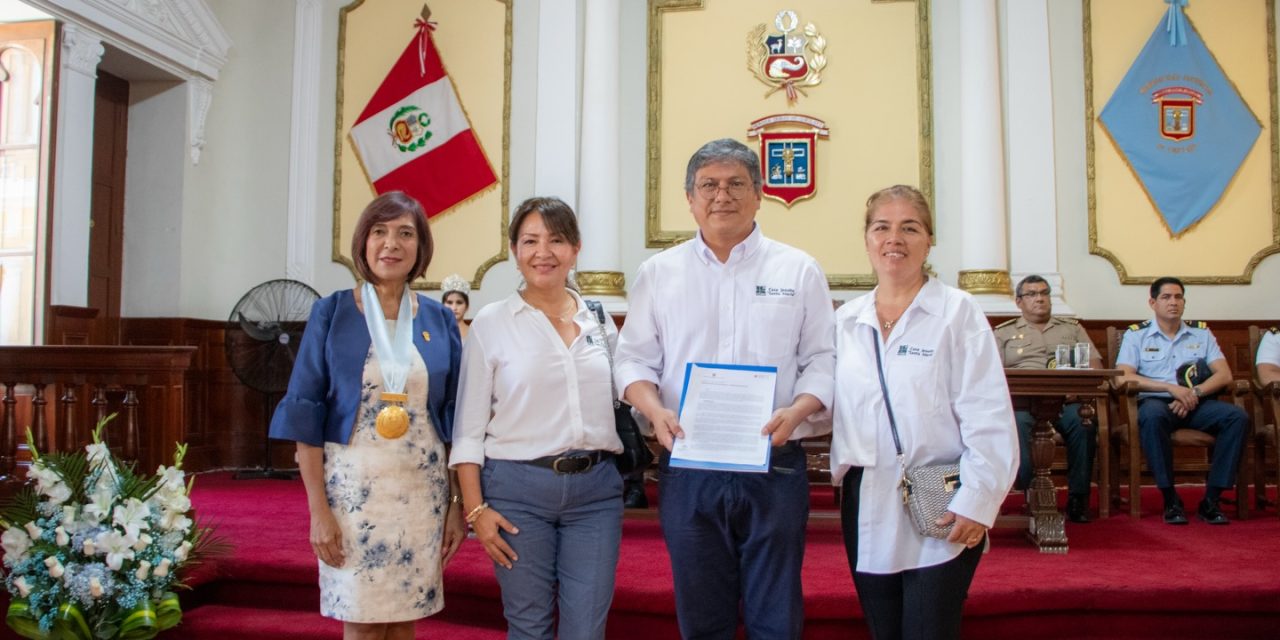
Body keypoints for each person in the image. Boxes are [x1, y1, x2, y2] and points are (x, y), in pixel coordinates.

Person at [614, 138, 835, 639]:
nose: (722, 195)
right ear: (689, 198)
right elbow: (632, 360)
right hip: (689, 464)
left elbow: (824, 359)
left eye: (736, 184)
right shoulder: (659, 273)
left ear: (758, 194)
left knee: (776, 616)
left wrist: (799, 410)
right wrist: (655, 409)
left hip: (774, 463)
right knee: (702, 615)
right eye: (708, 185)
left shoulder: (798, 270)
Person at [268, 191, 465, 640]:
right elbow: (306, 414)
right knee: (364, 622)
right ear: (363, 242)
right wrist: (318, 511)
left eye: (405, 234)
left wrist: (456, 506)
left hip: (422, 495)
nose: (391, 244)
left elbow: (455, 419)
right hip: (353, 497)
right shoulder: (332, 312)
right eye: (380, 232)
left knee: (403, 619)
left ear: (420, 247)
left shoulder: (439, 318)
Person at [830, 185, 1018, 640]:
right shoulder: (846, 321)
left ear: (929, 240)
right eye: (882, 227)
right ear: (867, 238)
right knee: (884, 630)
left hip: (943, 498)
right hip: (866, 498)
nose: (894, 238)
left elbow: (988, 414)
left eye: (909, 228)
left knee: (929, 629)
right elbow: (826, 406)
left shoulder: (958, 312)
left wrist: (978, 502)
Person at [450, 197, 624, 640]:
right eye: (530, 241)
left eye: (556, 240)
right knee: (528, 626)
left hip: (596, 493)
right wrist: (475, 509)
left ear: (576, 249)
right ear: (514, 250)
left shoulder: (599, 320)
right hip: (517, 492)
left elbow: (630, 395)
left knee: (586, 630)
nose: (543, 252)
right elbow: (467, 429)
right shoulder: (492, 323)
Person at [1115, 276, 1248, 525]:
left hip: (1197, 402)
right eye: (1166, 297)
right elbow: (1123, 377)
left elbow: (1224, 375)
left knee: (1236, 417)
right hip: (1156, 402)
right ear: (1153, 303)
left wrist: (1193, 393)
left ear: (1184, 302)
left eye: (1178, 297)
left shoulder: (1201, 333)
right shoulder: (1137, 335)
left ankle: (1211, 500)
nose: (1173, 302)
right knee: (1152, 417)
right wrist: (1171, 388)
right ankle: (1170, 499)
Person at [993, 275, 1103, 523]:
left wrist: (1078, 388)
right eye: (1032, 294)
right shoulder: (1004, 333)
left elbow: (1095, 367)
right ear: (1019, 301)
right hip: (1024, 404)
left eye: (1044, 293)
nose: (1040, 299)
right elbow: (992, 375)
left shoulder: (1072, 329)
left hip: (1067, 401)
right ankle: (1031, 491)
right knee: (1015, 426)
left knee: (1083, 424)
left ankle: (1078, 497)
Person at [441, 273, 471, 340]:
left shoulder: (474, 333)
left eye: (459, 303)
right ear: (443, 306)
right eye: (449, 302)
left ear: (467, 306)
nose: (454, 308)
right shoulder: (436, 332)